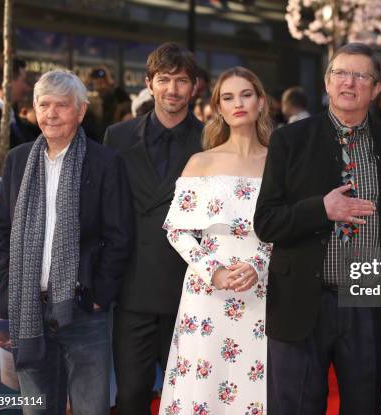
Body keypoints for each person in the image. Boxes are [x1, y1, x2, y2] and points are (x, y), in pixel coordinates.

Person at [254, 43, 381, 414]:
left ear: (376, 89)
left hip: (368, 304)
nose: (349, 82)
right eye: (341, 73)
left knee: (366, 405)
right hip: (302, 300)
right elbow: (266, 221)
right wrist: (321, 209)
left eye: (361, 76)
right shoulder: (289, 140)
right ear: (326, 83)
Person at [0, 69, 134, 414]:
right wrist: (9, 285)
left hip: (84, 310)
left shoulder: (104, 162)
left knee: (90, 408)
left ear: (81, 111)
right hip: (29, 309)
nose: (51, 114)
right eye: (44, 105)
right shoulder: (18, 159)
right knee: (36, 408)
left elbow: (120, 236)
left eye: (61, 105)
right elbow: (4, 231)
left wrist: (100, 295)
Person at [159, 66, 271, 414]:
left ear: (261, 102)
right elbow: (177, 229)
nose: (238, 103)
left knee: (255, 386)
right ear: (217, 108)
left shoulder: (280, 162)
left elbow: (288, 226)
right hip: (207, 291)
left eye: (246, 94)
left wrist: (259, 263)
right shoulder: (201, 162)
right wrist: (213, 270)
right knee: (203, 386)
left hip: (261, 289)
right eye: (228, 97)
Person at [103, 42, 203, 415]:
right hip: (132, 290)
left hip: (191, 289)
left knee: (189, 398)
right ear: (149, 83)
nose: (172, 90)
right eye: (164, 80)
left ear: (195, 86)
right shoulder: (118, 136)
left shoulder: (212, 139)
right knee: (130, 396)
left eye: (181, 81)